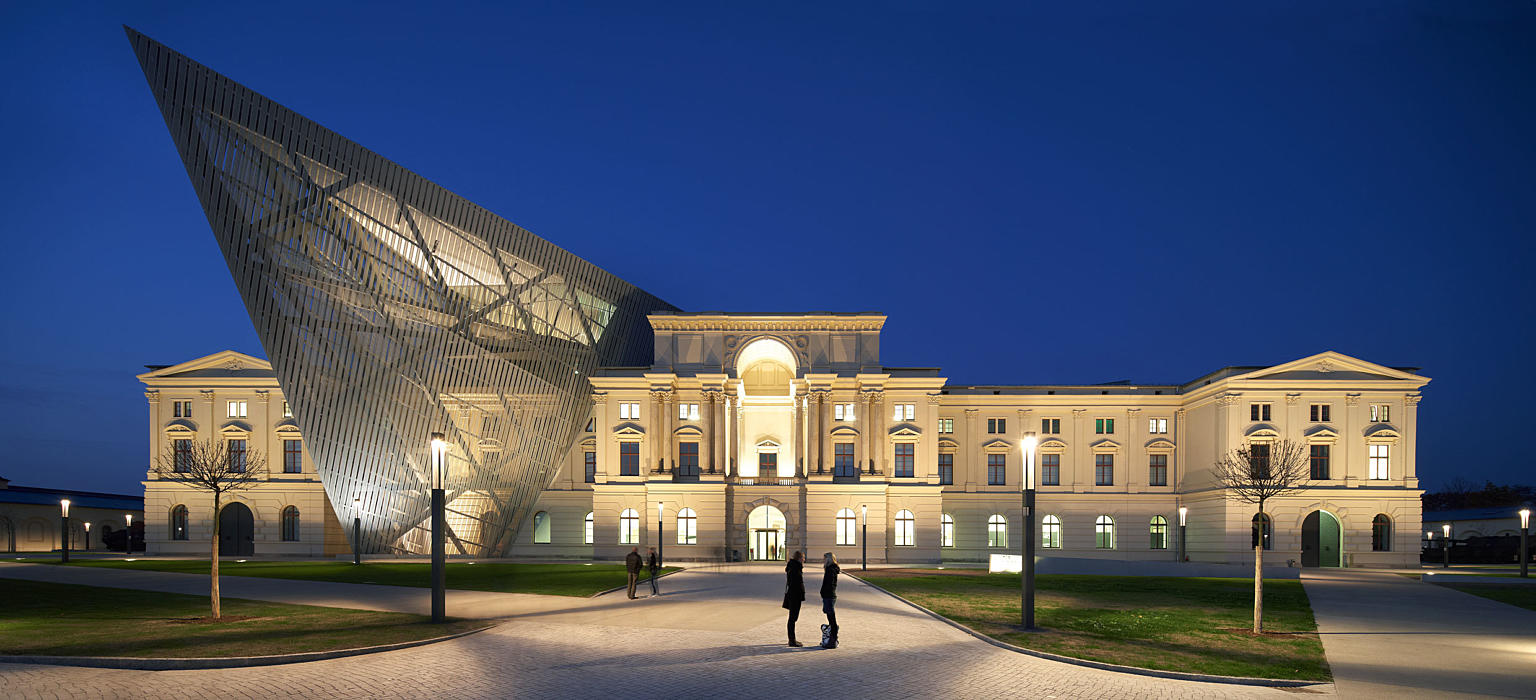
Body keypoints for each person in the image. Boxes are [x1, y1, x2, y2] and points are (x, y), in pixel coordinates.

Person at [783, 551, 806, 646]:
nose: (804, 560)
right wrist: (800, 593)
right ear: (799, 558)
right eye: (803, 558)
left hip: (793, 594)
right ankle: (792, 640)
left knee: (792, 618)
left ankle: (791, 639)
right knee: (792, 618)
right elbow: (796, 583)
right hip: (795, 595)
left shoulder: (793, 566)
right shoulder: (795, 568)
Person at [820, 552, 840, 648]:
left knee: (831, 617)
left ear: (828, 559)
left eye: (824, 559)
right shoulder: (830, 569)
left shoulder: (830, 569)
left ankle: (833, 639)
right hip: (828, 595)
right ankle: (832, 637)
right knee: (830, 616)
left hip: (829, 595)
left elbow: (830, 584)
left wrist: (825, 592)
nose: (823, 560)